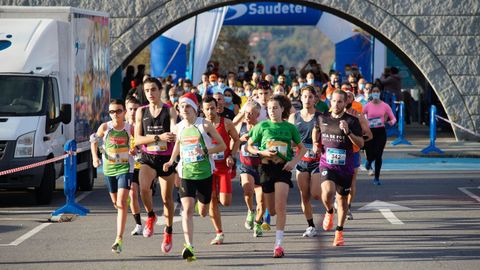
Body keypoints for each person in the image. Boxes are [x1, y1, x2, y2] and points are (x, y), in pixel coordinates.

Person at [163, 92, 226, 261]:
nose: (184, 109)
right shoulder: (179, 127)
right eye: (182, 106)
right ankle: (189, 245)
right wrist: (170, 162)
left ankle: (202, 203)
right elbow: (178, 144)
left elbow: (222, 145)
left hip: (205, 172)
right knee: (187, 210)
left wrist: (205, 151)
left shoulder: (204, 125)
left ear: (195, 108)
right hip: (186, 173)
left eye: (188, 106)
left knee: (204, 210)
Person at [247, 94, 307, 258]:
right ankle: (268, 218)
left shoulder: (290, 127)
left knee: (281, 206)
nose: (272, 111)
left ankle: (278, 245)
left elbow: (302, 149)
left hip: (283, 169)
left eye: (275, 108)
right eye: (269, 108)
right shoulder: (262, 126)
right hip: (266, 168)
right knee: (272, 210)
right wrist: (262, 152)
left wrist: (293, 162)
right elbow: (249, 146)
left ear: (282, 109)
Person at [311, 90, 364, 246]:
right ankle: (329, 211)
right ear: (330, 101)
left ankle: (339, 231)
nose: (336, 104)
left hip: (345, 167)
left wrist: (348, 132)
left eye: (340, 101)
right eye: (334, 101)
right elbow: (316, 130)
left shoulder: (352, 120)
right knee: (327, 192)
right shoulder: (322, 117)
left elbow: (360, 144)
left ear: (345, 102)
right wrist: (316, 143)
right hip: (327, 163)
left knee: (342, 200)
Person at [134, 77, 178, 253]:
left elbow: (174, 130)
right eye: (147, 91)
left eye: (153, 89)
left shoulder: (170, 111)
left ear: (160, 91)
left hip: (166, 159)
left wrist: (174, 134)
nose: (150, 93)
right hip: (148, 157)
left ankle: (168, 231)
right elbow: (137, 139)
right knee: (144, 189)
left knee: (167, 198)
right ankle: (151, 215)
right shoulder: (141, 112)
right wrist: (158, 137)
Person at [90, 99, 134, 253]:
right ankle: (122, 199)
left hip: (125, 168)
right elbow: (93, 140)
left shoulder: (130, 128)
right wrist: (95, 157)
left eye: (119, 111)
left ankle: (119, 239)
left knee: (121, 203)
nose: (115, 114)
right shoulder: (105, 127)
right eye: (112, 111)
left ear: (124, 112)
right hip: (109, 170)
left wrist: (135, 150)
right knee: (116, 203)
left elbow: (138, 144)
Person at [202, 96, 240, 245]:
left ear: (217, 107)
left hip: (223, 167)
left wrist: (231, 155)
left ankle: (213, 199)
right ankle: (219, 233)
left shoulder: (226, 123)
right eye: (207, 109)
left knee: (226, 202)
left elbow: (236, 139)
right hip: (207, 168)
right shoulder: (200, 125)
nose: (210, 111)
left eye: (212, 108)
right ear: (202, 110)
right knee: (212, 201)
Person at [288, 86, 322, 237]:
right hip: (301, 160)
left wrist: (318, 144)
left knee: (315, 194)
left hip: (318, 160)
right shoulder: (293, 117)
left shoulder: (321, 117)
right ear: (300, 98)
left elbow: (328, 136)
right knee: (304, 195)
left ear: (315, 99)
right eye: (305, 97)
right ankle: (311, 226)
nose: (307, 100)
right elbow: (289, 140)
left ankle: (329, 206)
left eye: (310, 97)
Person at [236, 100, 265, 237]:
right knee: (247, 190)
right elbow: (233, 144)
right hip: (246, 165)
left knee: (261, 200)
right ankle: (250, 211)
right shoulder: (241, 127)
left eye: (251, 113)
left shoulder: (263, 127)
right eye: (246, 113)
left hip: (261, 167)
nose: (247, 116)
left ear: (258, 114)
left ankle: (258, 223)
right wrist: (240, 139)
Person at [344, 90, 372, 220]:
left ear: (353, 100)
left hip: (353, 153)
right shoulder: (331, 115)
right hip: (336, 153)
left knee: (351, 181)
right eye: (344, 96)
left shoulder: (358, 116)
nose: (346, 98)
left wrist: (358, 139)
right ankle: (334, 203)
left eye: (349, 96)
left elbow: (369, 135)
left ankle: (348, 207)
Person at [363, 86, 397, 185]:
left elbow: (393, 118)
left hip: (381, 132)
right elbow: (360, 116)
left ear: (380, 93)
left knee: (379, 155)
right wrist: (363, 124)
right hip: (370, 132)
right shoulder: (367, 106)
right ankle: (369, 162)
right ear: (371, 93)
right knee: (370, 154)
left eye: (377, 91)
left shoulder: (385, 106)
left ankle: (376, 178)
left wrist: (390, 122)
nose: (376, 93)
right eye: (374, 91)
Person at [125, 97, 143, 235]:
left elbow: (148, 144)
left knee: (145, 194)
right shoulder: (122, 126)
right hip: (128, 165)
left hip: (142, 163)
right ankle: (138, 224)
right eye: (130, 109)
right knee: (132, 193)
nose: (132, 112)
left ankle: (150, 215)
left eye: (135, 109)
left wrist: (138, 149)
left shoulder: (142, 126)